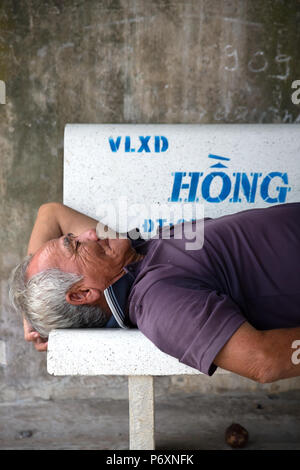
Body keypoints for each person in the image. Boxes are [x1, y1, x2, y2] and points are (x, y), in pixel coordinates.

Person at [9, 201, 300, 383]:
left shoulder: (129, 257)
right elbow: (263, 362)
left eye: (74, 237)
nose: (90, 233)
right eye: (75, 245)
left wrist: (30, 311)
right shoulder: (159, 301)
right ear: (83, 294)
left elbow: (51, 213)